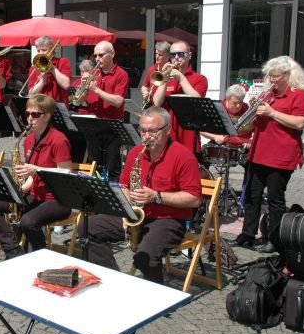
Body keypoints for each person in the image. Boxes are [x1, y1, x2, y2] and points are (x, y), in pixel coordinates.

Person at [79, 106, 202, 284]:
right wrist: (125, 210)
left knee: (145, 258)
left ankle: (157, 295)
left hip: (168, 219)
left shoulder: (183, 156)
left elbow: (195, 199)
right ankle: (112, 280)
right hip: (136, 215)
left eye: (152, 131)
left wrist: (156, 196)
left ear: (168, 130)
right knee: (87, 228)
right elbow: (123, 185)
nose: (146, 136)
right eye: (142, 130)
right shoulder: (136, 153)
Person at [235, 56, 304, 254]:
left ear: (287, 75)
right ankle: (248, 234)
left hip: (281, 156)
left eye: (276, 77)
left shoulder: (299, 95)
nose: (272, 80)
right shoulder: (269, 95)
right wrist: (254, 110)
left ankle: (274, 240)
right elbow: (253, 124)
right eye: (270, 76)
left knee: (275, 200)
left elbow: (299, 123)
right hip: (258, 152)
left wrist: (272, 113)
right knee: (252, 195)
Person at [0, 94, 73, 258]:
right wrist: (22, 188)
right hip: (35, 195)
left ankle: (40, 256)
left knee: (27, 221)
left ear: (47, 116)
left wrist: (37, 170)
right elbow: (32, 175)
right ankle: (12, 249)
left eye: (35, 114)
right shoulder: (29, 140)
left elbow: (66, 173)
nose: (30, 118)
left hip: (57, 199)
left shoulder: (59, 140)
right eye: (27, 114)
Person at [81, 40, 129, 181]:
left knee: (112, 167)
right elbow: (79, 100)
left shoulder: (121, 74)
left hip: (112, 127)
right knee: (95, 166)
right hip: (94, 126)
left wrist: (96, 89)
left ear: (112, 54)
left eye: (101, 55)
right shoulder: (93, 73)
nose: (97, 59)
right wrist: (84, 88)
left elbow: (118, 101)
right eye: (95, 56)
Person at [151, 41, 208, 155]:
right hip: (167, 132)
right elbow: (157, 102)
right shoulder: (166, 77)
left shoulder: (199, 78)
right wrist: (165, 78)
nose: (176, 58)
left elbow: (197, 99)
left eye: (180, 54)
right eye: (173, 55)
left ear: (189, 56)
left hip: (188, 134)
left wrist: (181, 78)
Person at [201, 84, 252, 149]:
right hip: (221, 148)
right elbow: (201, 130)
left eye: (240, 102)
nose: (238, 106)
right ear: (227, 99)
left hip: (242, 149)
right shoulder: (217, 109)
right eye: (235, 103)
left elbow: (257, 131)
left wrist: (250, 140)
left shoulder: (247, 110)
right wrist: (214, 136)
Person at [26, 36, 71, 105]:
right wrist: (43, 81)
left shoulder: (63, 62)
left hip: (59, 106)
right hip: (40, 107)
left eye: (44, 50)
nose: (40, 53)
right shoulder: (34, 68)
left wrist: (53, 68)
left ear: (52, 50)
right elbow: (31, 94)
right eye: (38, 50)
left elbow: (66, 85)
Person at [140, 41, 171, 109]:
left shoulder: (173, 71)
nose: (157, 57)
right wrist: (145, 92)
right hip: (153, 108)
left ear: (168, 55)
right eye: (156, 54)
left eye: (160, 55)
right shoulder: (152, 69)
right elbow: (144, 86)